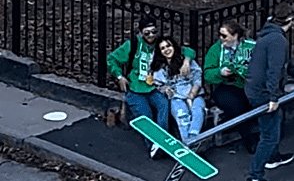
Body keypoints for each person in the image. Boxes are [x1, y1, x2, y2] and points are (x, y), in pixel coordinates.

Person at [244, 2, 294, 181]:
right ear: (290, 20)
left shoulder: (269, 35)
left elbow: (288, 63)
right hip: (264, 93)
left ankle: (273, 156)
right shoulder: (278, 41)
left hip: (256, 89)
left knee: (273, 124)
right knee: (269, 135)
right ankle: (255, 177)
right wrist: (273, 97)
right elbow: (275, 71)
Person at [107, 15, 196, 159]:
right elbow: (112, 59)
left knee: (163, 106)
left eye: (154, 32)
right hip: (136, 88)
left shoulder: (160, 44)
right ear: (141, 32)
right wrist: (119, 76)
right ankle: (153, 146)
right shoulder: (133, 45)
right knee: (145, 116)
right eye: (147, 33)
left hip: (155, 87)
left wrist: (186, 61)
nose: (151, 36)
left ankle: (162, 142)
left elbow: (187, 50)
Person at [203, 20, 260, 154]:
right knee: (235, 105)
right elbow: (207, 74)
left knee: (256, 98)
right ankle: (249, 139)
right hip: (226, 86)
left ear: (235, 36)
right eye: (220, 35)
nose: (221, 39)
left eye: (224, 36)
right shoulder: (216, 49)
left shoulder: (250, 46)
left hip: (248, 84)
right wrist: (220, 72)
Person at [151, 36, 205, 144]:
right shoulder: (161, 68)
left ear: (173, 46)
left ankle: (193, 138)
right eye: (163, 48)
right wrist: (166, 90)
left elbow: (197, 79)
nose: (166, 50)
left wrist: (191, 95)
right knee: (181, 115)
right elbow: (158, 84)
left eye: (168, 46)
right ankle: (187, 142)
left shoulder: (186, 61)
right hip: (176, 97)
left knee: (198, 110)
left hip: (194, 94)